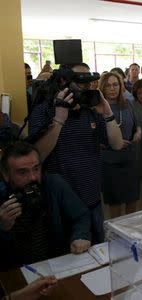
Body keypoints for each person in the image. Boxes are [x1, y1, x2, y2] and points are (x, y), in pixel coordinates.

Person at [27, 63, 124, 244]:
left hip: (93, 202)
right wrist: (59, 120)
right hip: (61, 208)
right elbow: (37, 157)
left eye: (89, 80)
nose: (87, 85)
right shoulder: (44, 110)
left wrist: (108, 113)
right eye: (81, 80)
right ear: (63, 81)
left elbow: (117, 144)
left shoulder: (91, 111)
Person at [0, 141, 91, 270]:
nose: (33, 178)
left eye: (36, 169)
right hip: (18, 270)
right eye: (22, 172)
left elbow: (81, 215)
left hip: (57, 263)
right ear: (6, 175)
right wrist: (3, 229)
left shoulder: (54, 184)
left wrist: (80, 236)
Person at [98, 72, 141, 218]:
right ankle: (117, 236)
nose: (112, 88)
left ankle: (131, 234)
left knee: (132, 198)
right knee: (115, 202)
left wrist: (138, 132)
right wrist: (114, 142)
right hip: (110, 161)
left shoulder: (127, 104)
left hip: (130, 157)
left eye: (115, 85)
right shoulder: (97, 109)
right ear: (102, 88)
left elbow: (137, 125)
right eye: (108, 85)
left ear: (120, 86)